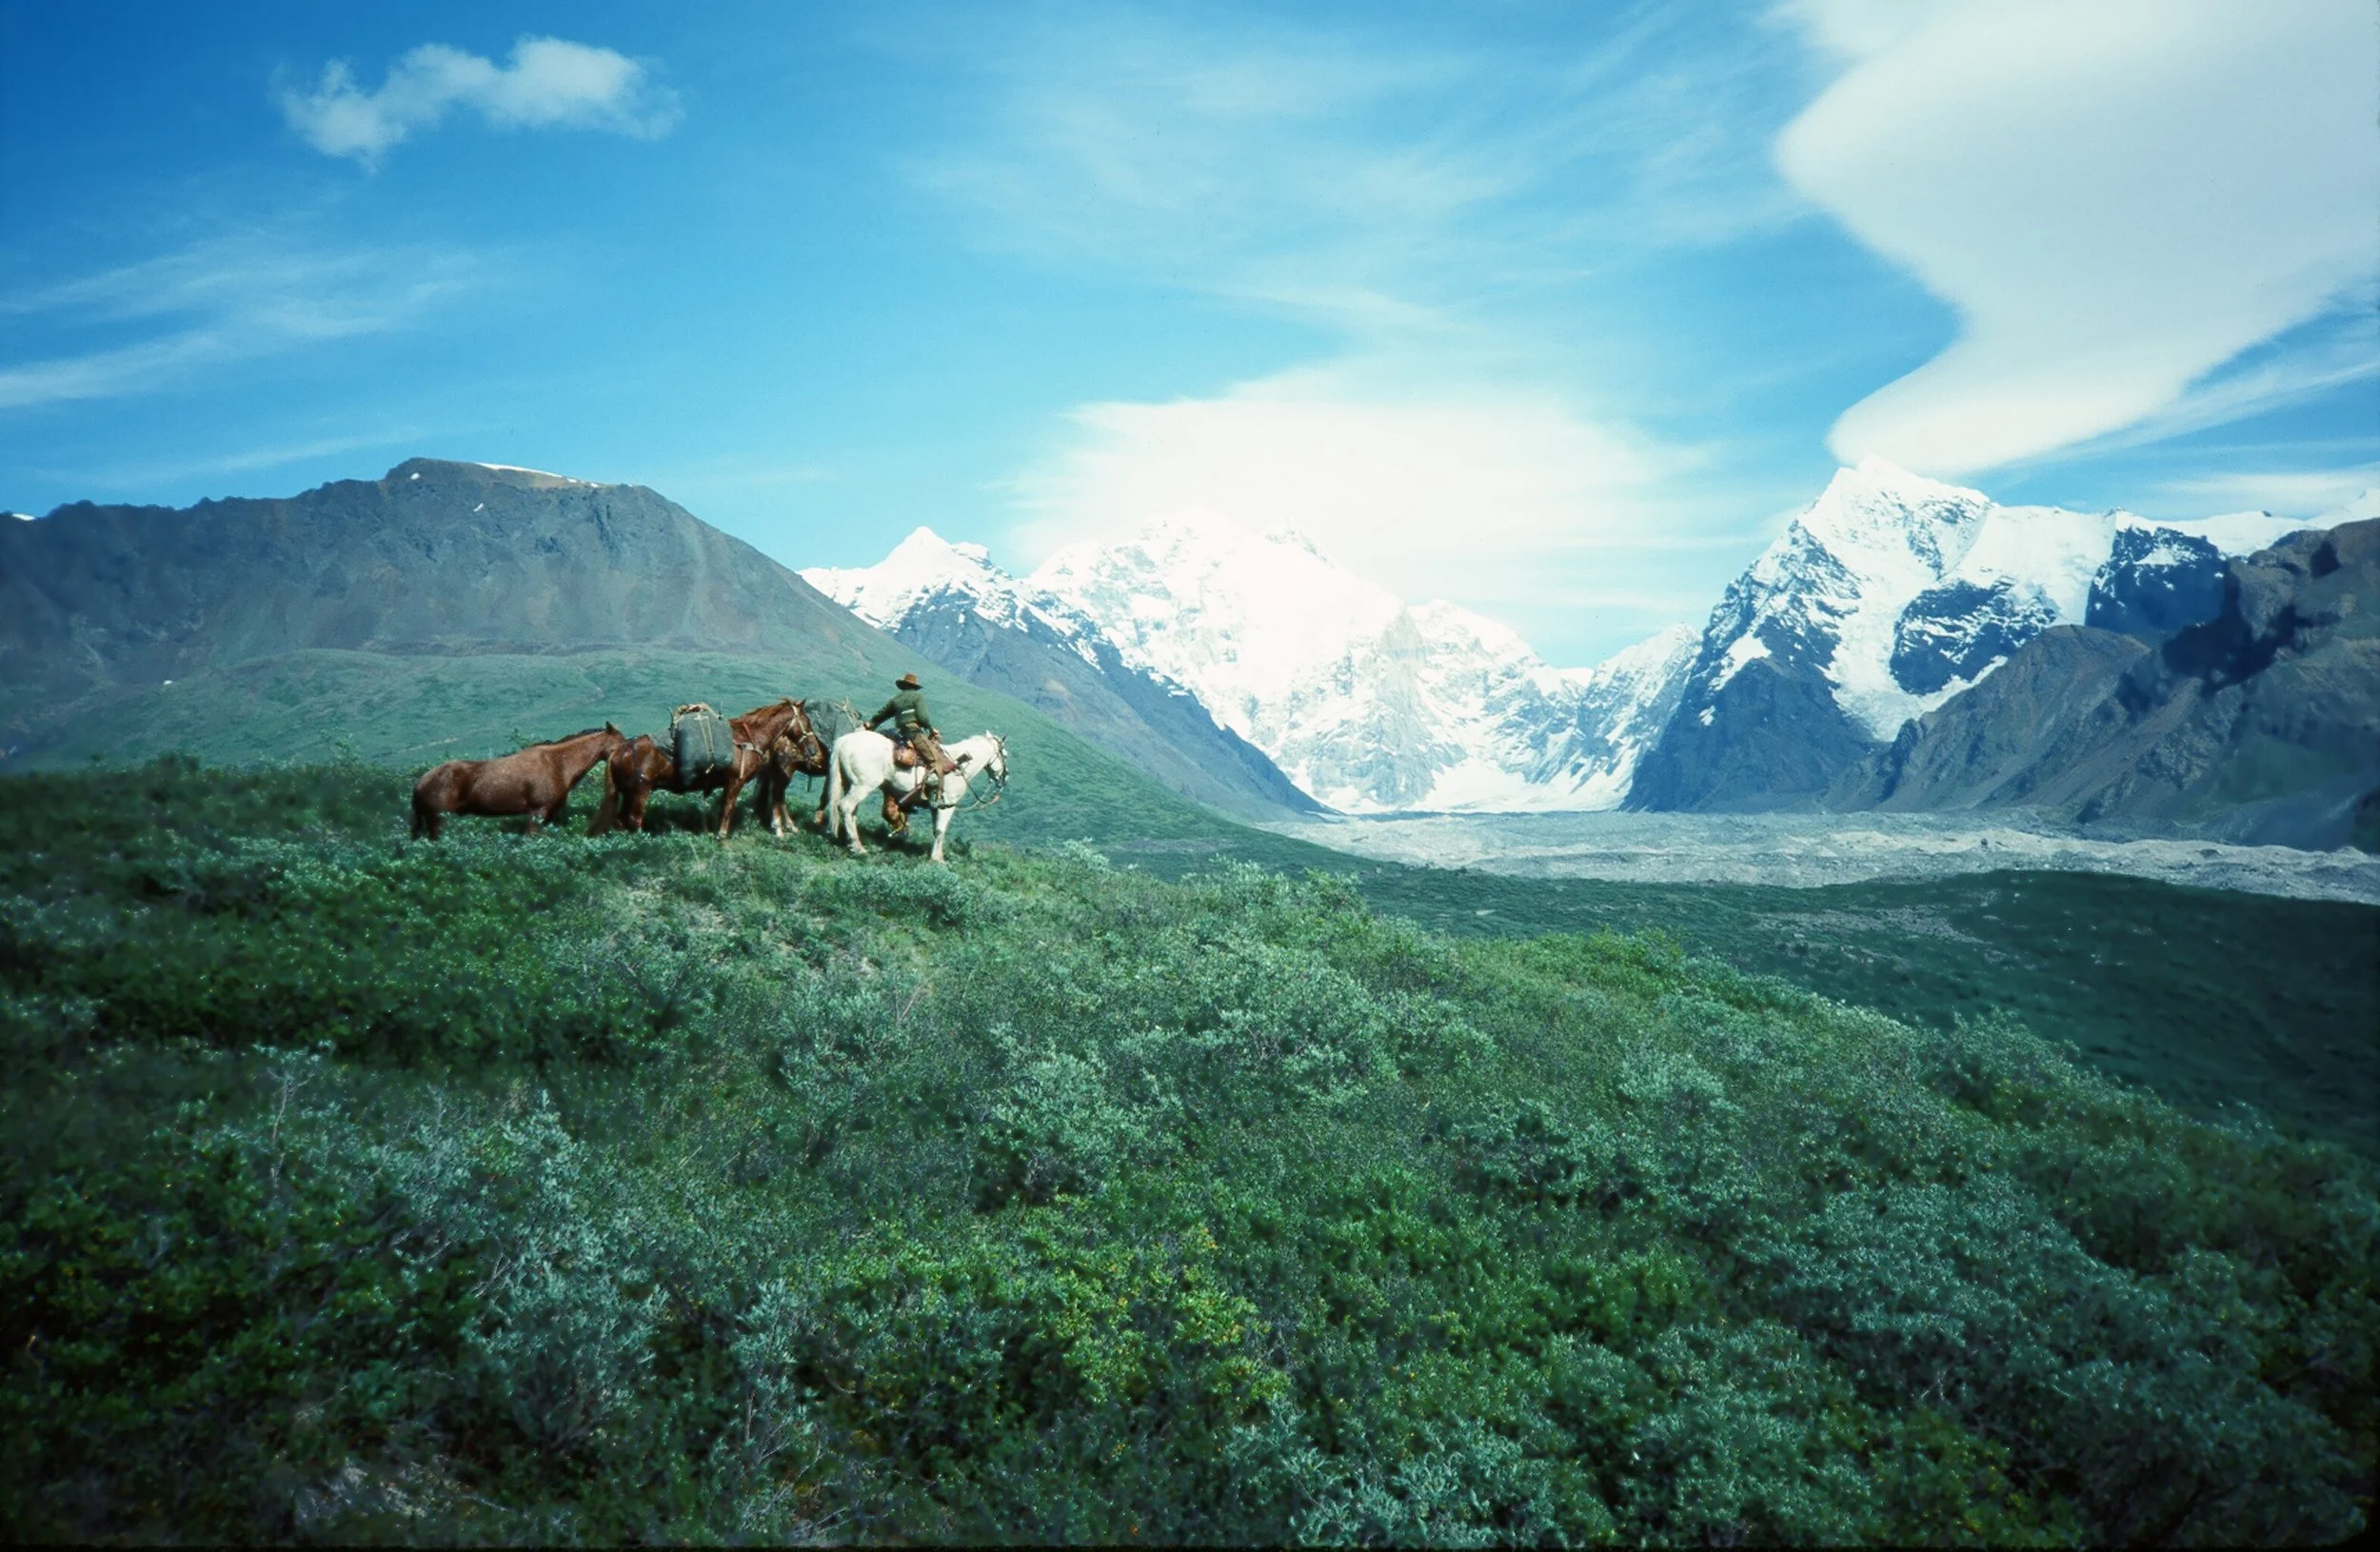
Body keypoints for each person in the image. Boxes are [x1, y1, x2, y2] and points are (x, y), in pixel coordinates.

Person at [867, 672, 957, 819]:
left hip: (899, 733)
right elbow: (922, 717)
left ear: (903, 685)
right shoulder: (917, 697)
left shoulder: (896, 698)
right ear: (914, 686)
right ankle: (935, 798)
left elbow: (882, 714)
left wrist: (871, 723)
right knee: (936, 761)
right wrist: (930, 728)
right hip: (914, 733)